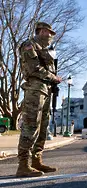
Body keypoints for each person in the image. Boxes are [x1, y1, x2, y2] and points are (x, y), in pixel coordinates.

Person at [17, 22, 62, 177]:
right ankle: (23, 165)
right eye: (50, 33)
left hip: (45, 91)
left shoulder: (45, 50)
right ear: (42, 31)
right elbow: (34, 68)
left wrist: (52, 80)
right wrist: (53, 77)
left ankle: (36, 161)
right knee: (31, 127)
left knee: (42, 129)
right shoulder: (29, 45)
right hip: (35, 91)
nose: (51, 37)